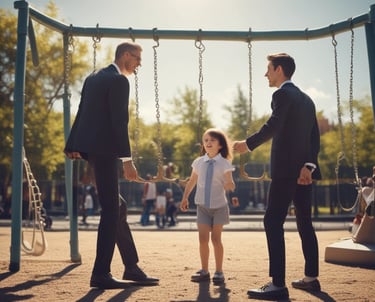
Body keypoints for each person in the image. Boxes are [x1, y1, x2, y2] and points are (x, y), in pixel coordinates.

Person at [64, 41, 158, 289]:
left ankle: (131, 266)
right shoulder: (119, 81)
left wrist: (72, 143)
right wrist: (127, 161)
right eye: (137, 58)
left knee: (118, 206)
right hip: (105, 151)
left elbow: (82, 111)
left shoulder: (94, 76)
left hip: (93, 150)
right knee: (110, 210)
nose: (139, 64)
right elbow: (119, 122)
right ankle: (101, 273)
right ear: (126, 55)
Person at [233, 53, 322, 300]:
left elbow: (274, 124)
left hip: (284, 171)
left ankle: (277, 284)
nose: (266, 74)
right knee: (305, 222)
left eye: (269, 69)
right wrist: (309, 166)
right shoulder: (307, 99)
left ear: (279, 69)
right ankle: (311, 278)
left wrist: (248, 144)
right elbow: (314, 138)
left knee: (272, 221)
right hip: (304, 172)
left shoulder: (282, 94)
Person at [180, 128, 239, 285]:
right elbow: (192, 181)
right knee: (202, 239)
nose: (208, 143)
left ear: (220, 145)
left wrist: (230, 185)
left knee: (216, 239)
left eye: (212, 140)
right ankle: (204, 270)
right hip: (202, 207)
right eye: (206, 140)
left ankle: (219, 272)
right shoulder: (199, 162)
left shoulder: (224, 163)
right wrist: (185, 197)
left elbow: (229, 183)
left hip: (219, 206)